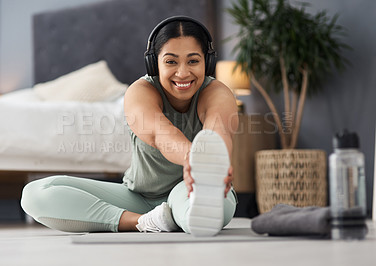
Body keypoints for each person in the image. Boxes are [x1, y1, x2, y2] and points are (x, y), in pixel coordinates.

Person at [21, 16, 238, 237]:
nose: (182, 73)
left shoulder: (217, 92)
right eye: (171, 61)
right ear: (154, 63)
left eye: (193, 61)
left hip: (190, 188)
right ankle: (145, 222)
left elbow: (218, 133)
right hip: (139, 198)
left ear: (207, 62)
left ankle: (183, 214)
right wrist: (195, 160)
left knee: (203, 210)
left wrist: (211, 165)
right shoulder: (140, 91)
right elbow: (161, 134)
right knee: (35, 193)